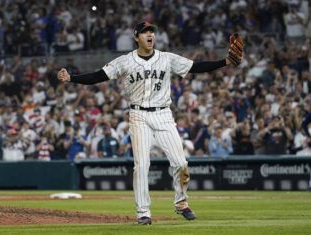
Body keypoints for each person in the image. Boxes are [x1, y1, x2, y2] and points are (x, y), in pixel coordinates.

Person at [57, 21, 243, 225]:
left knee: (181, 163)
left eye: (152, 31)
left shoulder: (166, 58)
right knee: (141, 165)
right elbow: (98, 77)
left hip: (163, 114)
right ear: (137, 37)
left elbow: (196, 67)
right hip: (138, 116)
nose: (150, 35)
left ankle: (181, 203)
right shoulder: (125, 61)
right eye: (145, 32)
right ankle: (143, 212)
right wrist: (71, 78)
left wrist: (225, 62)